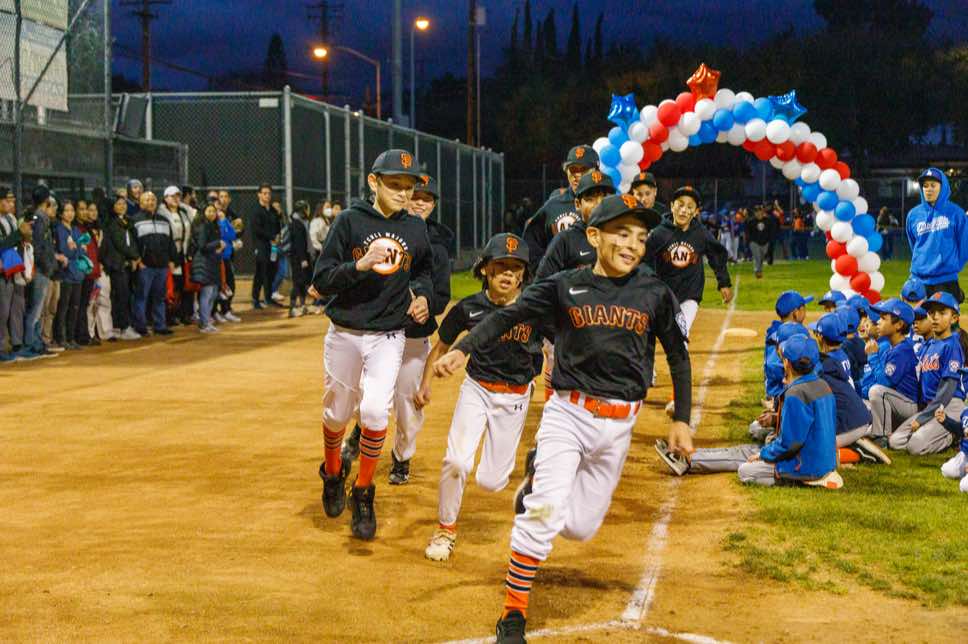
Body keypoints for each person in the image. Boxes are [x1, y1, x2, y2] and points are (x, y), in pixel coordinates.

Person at [432, 194, 691, 642]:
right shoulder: (563, 287)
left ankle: (532, 485)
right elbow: (508, 317)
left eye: (640, 236)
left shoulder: (654, 293)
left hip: (620, 426)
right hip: (568, 414)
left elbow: (678, 355)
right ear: (594, 236)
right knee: (544, 516)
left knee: (580, 527)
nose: (632, 244)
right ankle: (513, 615)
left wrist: (681, 418)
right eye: (621, 233)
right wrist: (463, 349)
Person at [311, 149, 433, 541]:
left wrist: (424, 296)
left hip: (388, 334)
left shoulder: (415, 228)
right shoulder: (350, 221)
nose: (403, 193)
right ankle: (333, 473)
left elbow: (425, 270)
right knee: (336, 415)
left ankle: (364, 490)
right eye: (394, 184)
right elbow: (322, 278)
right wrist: (360, 265)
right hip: (346, 331)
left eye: (408, 186)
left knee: (376, 411)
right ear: (373, 182)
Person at [418, 233, 539, 562]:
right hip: (477, 389)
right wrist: (425, 384)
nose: (508, 273)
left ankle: (534, 468)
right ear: (485, 269)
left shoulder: (534, 310)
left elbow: (555, 348)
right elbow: (441, 346)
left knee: (491, 482)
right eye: (501, 265)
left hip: (515, 396)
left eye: (516, 268)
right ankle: (445, 529)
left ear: (523, 275)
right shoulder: (468, 308)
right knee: (457, 461)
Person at [657, 334, 842, 487]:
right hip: (821, 462)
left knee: (746, 469)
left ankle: (688, 461)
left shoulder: (796, 393)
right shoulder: (822, 385)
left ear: (787, 363)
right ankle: (692, 458)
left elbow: (790, 444)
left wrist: (764, 455)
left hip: (804, 467)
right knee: (745, 451)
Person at [644, 185, 732, 337]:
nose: (684, 210)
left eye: (690, 207)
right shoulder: (659, 233)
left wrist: (723, 282)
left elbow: (717, 254)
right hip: (664, 296)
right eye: (680, 205)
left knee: (680, 334)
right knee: (657, 335)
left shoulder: (700, 234)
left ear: (696, 211)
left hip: (690, 295)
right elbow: (645, 259)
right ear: (672, 206)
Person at [890, 291, 965, 455]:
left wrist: (923, 418)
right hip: (931, 407)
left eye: (942, 313)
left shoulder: (952, 346)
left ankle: (954, 435)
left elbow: (947, 390)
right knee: (895, 441)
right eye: (931, 313)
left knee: (915, 446)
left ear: (954, 318)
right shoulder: (929, 345)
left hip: (949, 405)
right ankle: (933, 434)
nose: (935, 317)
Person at [810, 313, 890, 464]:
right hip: (856, 412)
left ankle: (858, 452)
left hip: (850, 418)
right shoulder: (840, 354)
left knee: (814, 450)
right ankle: (853, 442)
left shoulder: (825, 364)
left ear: (820, 337)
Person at [521, 144, 599, 270]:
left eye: (584, 169)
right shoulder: (554, 206)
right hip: (562, 280)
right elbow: (531, 242)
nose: (577, 174)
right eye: (572, 169)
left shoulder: (607, 203)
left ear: (596, 170)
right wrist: (542, 272)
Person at [905, 167, 968, 302]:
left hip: (946, 279)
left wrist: (952, 267)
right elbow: (914, 244)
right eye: (925, 185)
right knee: (914, 314)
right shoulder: (913, 215)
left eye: (933, 185)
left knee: (944, 315)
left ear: (942, 187)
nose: (928, 189)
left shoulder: (956, 213)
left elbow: (964, 246)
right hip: (918, 280)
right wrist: (922, 261)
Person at [866, 299, 919, 446]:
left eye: (883, 318)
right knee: (865, 430)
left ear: (899, 325)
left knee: (877, 391)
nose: (878, 322)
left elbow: (884, 384)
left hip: (909, 404)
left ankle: (881, 436)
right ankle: (881, 431)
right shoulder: (895, 347)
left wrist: (873, 357)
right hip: (897, 401)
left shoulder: (902, 350)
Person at [131, 191, 178, 337]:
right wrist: (138, 260)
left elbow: (170, 242)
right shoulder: (134, 220)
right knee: (141, 297)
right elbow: (132, 243)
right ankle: (140, 326)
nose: (150, 202)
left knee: (160, 297)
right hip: (145, 266)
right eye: (147, 200)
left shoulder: (164, 220)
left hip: (162, 266)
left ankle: (160, 326)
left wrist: (172, 260)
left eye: (153, 199)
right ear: (141, 203)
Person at [100, 193, 142, 341]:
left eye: (124, 203)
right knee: (121, 296)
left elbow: (133, 241)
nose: (122, 206)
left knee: (127, 295)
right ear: (112, 207)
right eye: (118, 204)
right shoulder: (112, 224)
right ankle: (122, 327)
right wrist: (135, 257)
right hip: (117, 265)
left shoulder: (127, 221)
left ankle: (124, 325)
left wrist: (135, 257)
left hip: (127, 264)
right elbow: (120, 244)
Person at [52, 201, 85, 351]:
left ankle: (71, 338)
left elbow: (82, 250)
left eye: (72, 210)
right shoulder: (59, 230)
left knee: (75, 307)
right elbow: (64, 250)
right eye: (66, 210)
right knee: (63, 308)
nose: (70, 213)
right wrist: (76, 249)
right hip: (65, 274)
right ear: (61, 213)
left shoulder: (76, 229)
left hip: (77, 273)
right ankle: (61, 338)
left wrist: (76, 249)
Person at [158, 186, 194, 326]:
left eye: (178, 196)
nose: (175, 199)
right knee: (172, 285)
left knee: (184, 284)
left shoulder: (183, 212)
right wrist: (169, 257)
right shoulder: (161, 212)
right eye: (172, 196)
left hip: (183, 252)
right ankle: (169, 315)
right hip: (170, 253)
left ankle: (184, 314)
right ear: (165, 198)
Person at [190, 204, 225, 334]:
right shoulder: (204, 226)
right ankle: (204, 323)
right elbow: (202, 246)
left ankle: (206, 321)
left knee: (213, 293)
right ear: (203, 213)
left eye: (213, 211)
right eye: (208, 211)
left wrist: (220, 247)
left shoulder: (214, 226)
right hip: (204, 264)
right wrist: (218, 243)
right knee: (207, 294)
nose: (211, 213)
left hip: (212, 263)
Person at [250, 183, 280, 309]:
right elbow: (257, 230)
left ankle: (268, 298)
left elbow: (277, 225)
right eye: (264, 193)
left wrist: (277, 237)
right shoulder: (256, 211)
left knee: (271, 271)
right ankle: (255, 299)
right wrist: (271, 237)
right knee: (261, 272)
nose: (267, 196)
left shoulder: (273, 210)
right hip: (261, 246)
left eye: (269, 193)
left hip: (273, 247)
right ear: (259, 195)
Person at [287, 200, 311, 318]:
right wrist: (303, 259)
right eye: (306, 209)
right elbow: (299, 243)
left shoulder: (299, 222)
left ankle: (302, 306)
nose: (307, 211)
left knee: (302, 282)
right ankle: (292, 308)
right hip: (298, 258)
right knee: (297, 282)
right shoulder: (297, 224)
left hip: (300, 257)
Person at [938, 407, 968, 493]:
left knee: (964, 486)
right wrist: (946, 421)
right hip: (965, 454)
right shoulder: (966, 411)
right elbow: (961, 429)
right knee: (947, 470)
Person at [746, 205, 775, 278]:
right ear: (754, 213)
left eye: (759, 211)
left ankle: (759, 270)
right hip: (754, 242)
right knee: (757, 256)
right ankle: (757, 271)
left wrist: (770, 241)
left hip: (765, 242)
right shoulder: (751, 221)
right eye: (756, 211)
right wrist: (749, 241)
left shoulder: (768, 220)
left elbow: (771, 232)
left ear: (762, 211)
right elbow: (748, 233)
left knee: (761, 257)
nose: (758, 213)